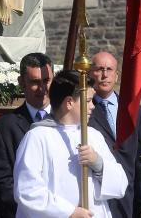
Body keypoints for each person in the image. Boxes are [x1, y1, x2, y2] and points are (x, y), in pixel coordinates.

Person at [14, 70, 128, 218]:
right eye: (87, 101)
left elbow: (120, 185)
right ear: (69, 102)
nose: (93, 106)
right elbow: (27, 191)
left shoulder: (93, 135)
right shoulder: (37, 137)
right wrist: (69, 212)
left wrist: (98, 163)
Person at [0, 52, 53, 218]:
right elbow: (1, 181)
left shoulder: (67, 123)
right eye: (35, 82)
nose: (42, 89)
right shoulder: (5, 126)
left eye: (46, 81)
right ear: (22, 83)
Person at [89, 52, 141, 218]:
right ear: (89, 73)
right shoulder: (82, 110)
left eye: (110, 69)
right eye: (99, 69)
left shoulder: (133, 110)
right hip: (96, 197)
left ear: (116, 76)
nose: (105, 74)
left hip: (128, 197)